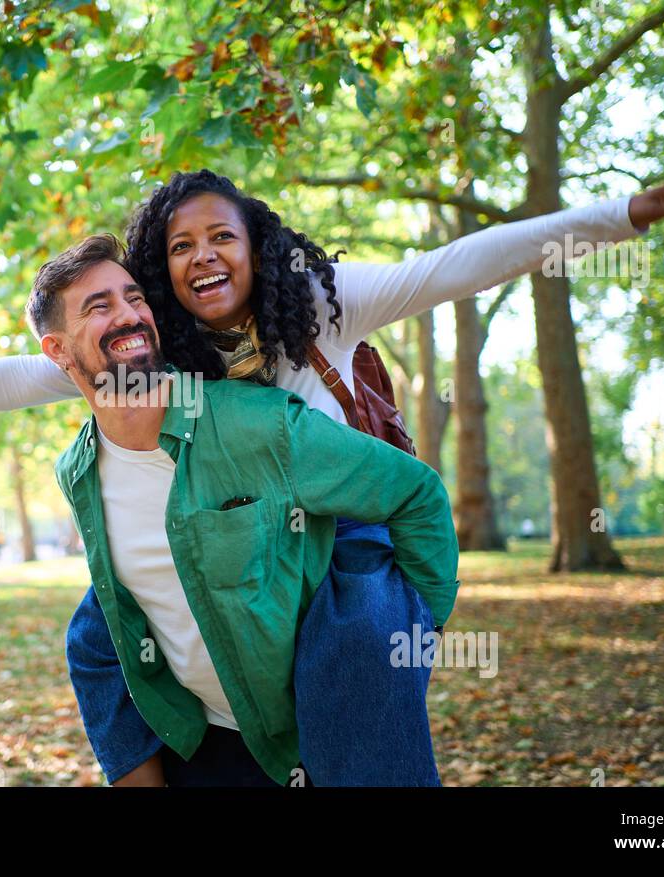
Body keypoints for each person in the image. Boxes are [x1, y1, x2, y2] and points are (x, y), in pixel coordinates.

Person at [0, 165, 664, 782]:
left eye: (221, 237)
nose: (203, 256)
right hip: (238, 524)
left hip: (344, 524)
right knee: (99, 624)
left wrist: (615, 216)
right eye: (180, 246)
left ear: (256, 245)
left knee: (350, 647)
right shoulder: (164, 339)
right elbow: (18, 376)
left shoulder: (325, 302)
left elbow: (466, 261)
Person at [26, 235, 457, 784]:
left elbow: (414, 491)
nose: (129, 316)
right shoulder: (79, 469)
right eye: (99, 306)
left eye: (134, 298)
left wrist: (423, 626)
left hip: (330, 739)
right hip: (210, 748)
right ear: (58, 351)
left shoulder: (260, 425)